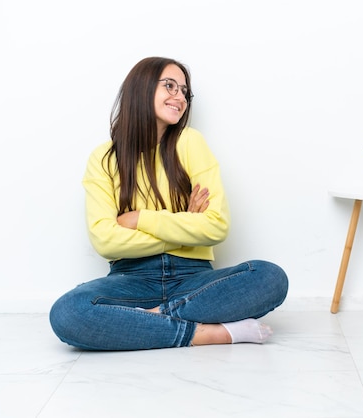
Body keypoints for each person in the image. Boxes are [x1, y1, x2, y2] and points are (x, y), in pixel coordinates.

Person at [49, 57, 288, 351]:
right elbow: (106, 240)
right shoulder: (104, 158)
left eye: (184, 92)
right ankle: (210, 334)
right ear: (142, 88)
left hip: (194, 278)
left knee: (270, 277)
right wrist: (184, 227)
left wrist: (140, 219)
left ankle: (149, 320)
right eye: (170, 86)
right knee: (68, 312)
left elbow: (216, 226)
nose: (180, 97)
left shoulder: (190, 142)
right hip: (131, 278)